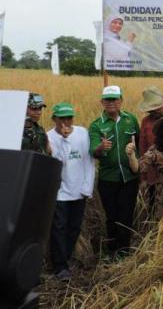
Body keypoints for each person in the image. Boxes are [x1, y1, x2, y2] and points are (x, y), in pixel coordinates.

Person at [88, 85, 140, 258]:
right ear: (102, 102)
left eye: (115, 99)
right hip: (108, 179)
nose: (111, 103)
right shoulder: (96, 125)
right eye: (108, 100)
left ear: (121, 101)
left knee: (126, 215)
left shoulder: (130, 119)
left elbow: (139, 144)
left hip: (129, 177)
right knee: (112, 216)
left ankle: (124, 253)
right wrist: (100, 148)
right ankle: (112, 250)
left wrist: (138, 164)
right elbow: (93, 151)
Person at [47, 103, 95, 281]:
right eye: (62, 118)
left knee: (74, 227)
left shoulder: (82, 133)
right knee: (59, 228)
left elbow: (89, 161)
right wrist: (64, 139)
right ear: (54, 119)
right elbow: (57, 162)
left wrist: (87, 187)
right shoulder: (49, 137)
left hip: (79, 190)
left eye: (69, 118)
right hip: (59, 191)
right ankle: (60, 267)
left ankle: (65, 259)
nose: (66, 122)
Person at [138, 86, 163, 216]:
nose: (152, 111)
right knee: (155, 211)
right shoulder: (146, 122)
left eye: (155, 108)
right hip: (154, 177)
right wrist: (143, 178)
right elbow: (142, 149)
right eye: (150, 109)